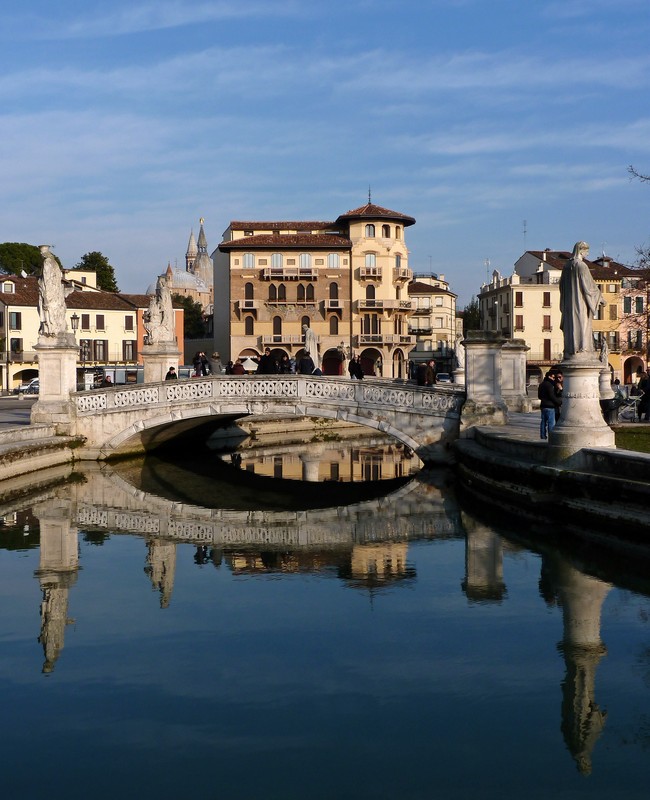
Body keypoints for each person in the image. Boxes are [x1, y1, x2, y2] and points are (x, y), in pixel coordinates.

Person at [559, 241, 605, 358]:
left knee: (571, 326)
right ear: (581, 250)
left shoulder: (566, 266)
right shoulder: (581, 266)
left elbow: (561, 286)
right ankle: (582, 348)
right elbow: (589, 287)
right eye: (587, 251)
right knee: (582, 324)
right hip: (581, 303)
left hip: (569, 304)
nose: (588, 254)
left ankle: (571, 349)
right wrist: (600, 297)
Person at [38, 245, 68, 338]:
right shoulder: (55, 263)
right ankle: (54, 329)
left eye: (41, 252)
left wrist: (45, 297)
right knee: (55, 312)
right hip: (56, 293)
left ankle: (49, 330)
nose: (41, 254)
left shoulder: (47, 262)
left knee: (46, 311)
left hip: (48, 291)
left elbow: (46, 280)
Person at [538, 371, 562, 439]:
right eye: (553, 377)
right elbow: (552, 396)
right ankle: (551, 437)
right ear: (549, 376)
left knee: (543, 422)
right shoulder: (550, 385)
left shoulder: (541, 384)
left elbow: (539, 396)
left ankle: (543, 436)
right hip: (550, 406)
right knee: (551, 423)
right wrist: (559, 402)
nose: (554, 379)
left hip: (543, 405)